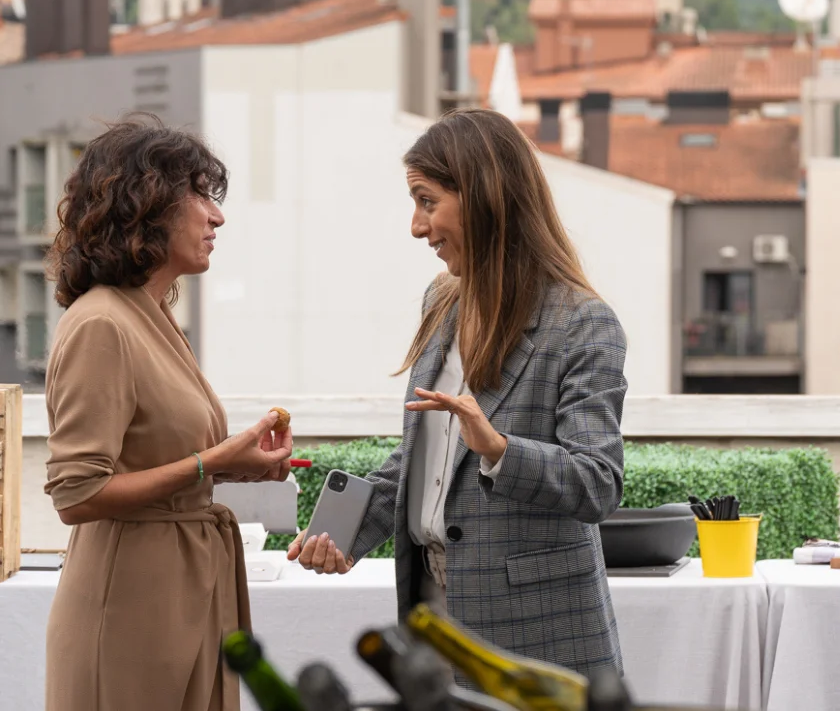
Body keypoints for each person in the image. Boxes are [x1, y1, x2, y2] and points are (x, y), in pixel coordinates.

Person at [288, 108, 629, 678]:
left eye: (427, 201)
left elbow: (598, 483)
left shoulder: (583, 323)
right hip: (432, 615)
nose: (416, 227)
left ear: (484, 197)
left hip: (537, 635)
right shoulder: (441, 301)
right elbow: (424, 460)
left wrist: (499, 449)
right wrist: (344, 534)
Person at [42, 115, 294, 711]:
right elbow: (76, 494)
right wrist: (210, 464)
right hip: (130, 609)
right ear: (147, 205)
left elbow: (159, 460)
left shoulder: (149, 316)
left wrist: (235, 465)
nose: (217, 216)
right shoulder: (103, 323)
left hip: (182, 592)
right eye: (200, 195)